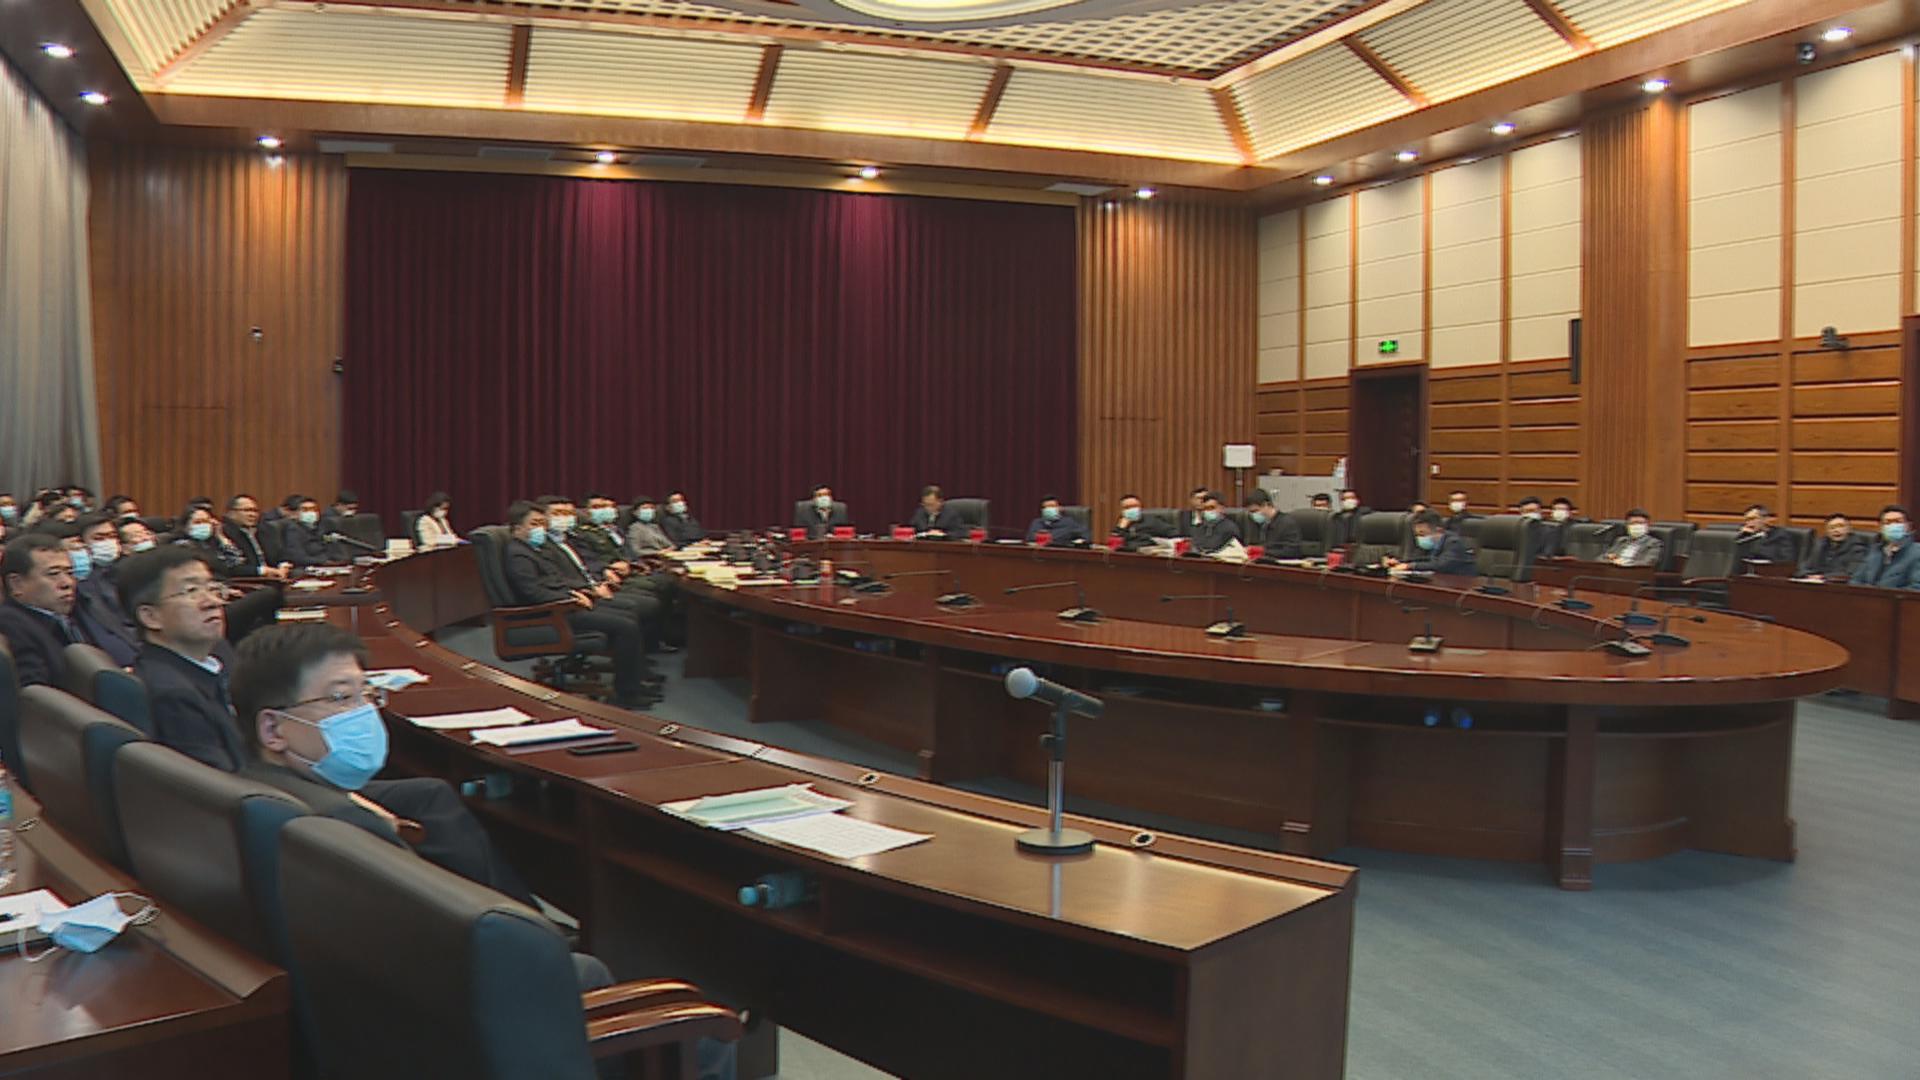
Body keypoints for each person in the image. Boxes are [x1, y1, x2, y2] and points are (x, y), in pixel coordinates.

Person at [230, 622, 539, 907]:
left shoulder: (252, 780)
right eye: (340, 697)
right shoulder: (346, 825)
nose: (363, 712)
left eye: (366, 693)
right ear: (273, 730)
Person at [502, 500, 657, 708]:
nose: (541, 529)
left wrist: (581, 591)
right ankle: (626, 695)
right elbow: (532, 592)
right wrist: (570, 597)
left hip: (566, 603)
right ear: (517, 528)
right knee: (625, 626)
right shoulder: (518, 554)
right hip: (551, 613)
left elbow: (556, 579)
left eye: (542, 523)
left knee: (629, 615)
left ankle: (634, 681)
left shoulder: (536, 548)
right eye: (534, 524)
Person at [119, 547, 249, 769]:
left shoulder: (205, 664)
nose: (213, 602)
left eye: (212, 588)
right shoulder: (175, 696)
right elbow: (218, 781)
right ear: (151, 617)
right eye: (191, 591)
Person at [0, 533, 86, 687]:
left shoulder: (69, 615)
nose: (67, 583)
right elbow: (34, 694)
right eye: (53, 574)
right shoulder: (9, 626)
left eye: (70, 573)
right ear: (16, 584)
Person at [70, 514, 141, 665]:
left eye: (112, 536)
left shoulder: (130, 571)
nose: (108, 542)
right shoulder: (81, 586)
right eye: (99, 538)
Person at [223, 494, 291, 579]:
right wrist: (263, 571)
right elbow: (232, 567)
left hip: (274, 577)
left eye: (255, 511)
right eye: (247, 510)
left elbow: (281, 554)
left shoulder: (266, 530)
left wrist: (283, 566)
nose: (252, 514)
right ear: (231, 513)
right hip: (248, 579)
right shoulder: (224, 533)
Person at [1851, 506, 1920, 588]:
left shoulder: (1917, 553)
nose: (1893, 525)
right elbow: (1856, 581)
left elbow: (1916, 587)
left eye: (1898, 521)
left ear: (1908, 526)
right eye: (1887, 523)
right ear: (1881, 528)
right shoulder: (1875, 551)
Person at [1385, 512, 1476, 575]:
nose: (1419, 538)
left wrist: (1409, 566)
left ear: (1439, 530)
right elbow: (1426, 559)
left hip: (1462, 587)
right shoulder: (1434, 544)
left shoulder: (1454, 542)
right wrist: (1400, 562)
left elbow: (1441, 565)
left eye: (1422, 534)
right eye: (1417, 535)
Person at [175, 504, 251, 578]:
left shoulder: (212, 545)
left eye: (206, 521)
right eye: (198, 522)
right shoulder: (182, 546)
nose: (203, 525)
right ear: (185, 527)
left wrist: (220, 536)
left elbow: (237, 563)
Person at [1799, 513, 1869, 580]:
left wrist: (1823, 577)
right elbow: (1803, 568)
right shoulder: (1821, 545)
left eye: (1840, 526)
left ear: (1849, 529)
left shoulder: (1857, 549)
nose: (1836, 530)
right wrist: (1808, 575)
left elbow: (1852, 574)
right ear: (1827, 531)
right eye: (1832, 528)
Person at [1243, 491, 1303, 558]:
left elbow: (1293, 552)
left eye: (1255, 511)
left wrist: (1263, 551)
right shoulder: (1257, 524)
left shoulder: (1287, 523)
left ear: (1266, 505)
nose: (1253, 515)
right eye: (1250, 512)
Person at [1735, 504, 1800, 565]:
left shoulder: (1781, 535)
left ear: (1765, 519)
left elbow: (1787, 561)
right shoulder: (1746, 536)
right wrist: (1742, 536)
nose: (1749, 523)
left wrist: (1756, 542)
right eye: (1746, 520)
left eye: (1752, 519)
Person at [279, 496, 332, 568]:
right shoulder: (293, 530)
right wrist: (323, 562)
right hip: (305, 568)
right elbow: (298, 557)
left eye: (313, 509)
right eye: (305, 510)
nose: (310, 513)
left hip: (325, 566)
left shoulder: (323, 527)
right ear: (297, 513)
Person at [1109, 494, 1173, 551]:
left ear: (1140, 507)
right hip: (1127, 555)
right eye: (1127, 507)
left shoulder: (1153, 521)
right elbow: (1113, 545)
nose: (1131, 510)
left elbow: (1174, 535)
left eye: (1134, 506)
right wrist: (1120, 528)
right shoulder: (1122, 524)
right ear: (1121, 510)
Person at [1024, 496, 1089, 545]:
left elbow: (1086, 535)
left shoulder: (1068, 522)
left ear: (1059, 508)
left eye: (1052, 506)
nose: (1049, 509)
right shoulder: (1037, 522)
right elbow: (1030, 537)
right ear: (1042, 510)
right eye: (1046, 507)